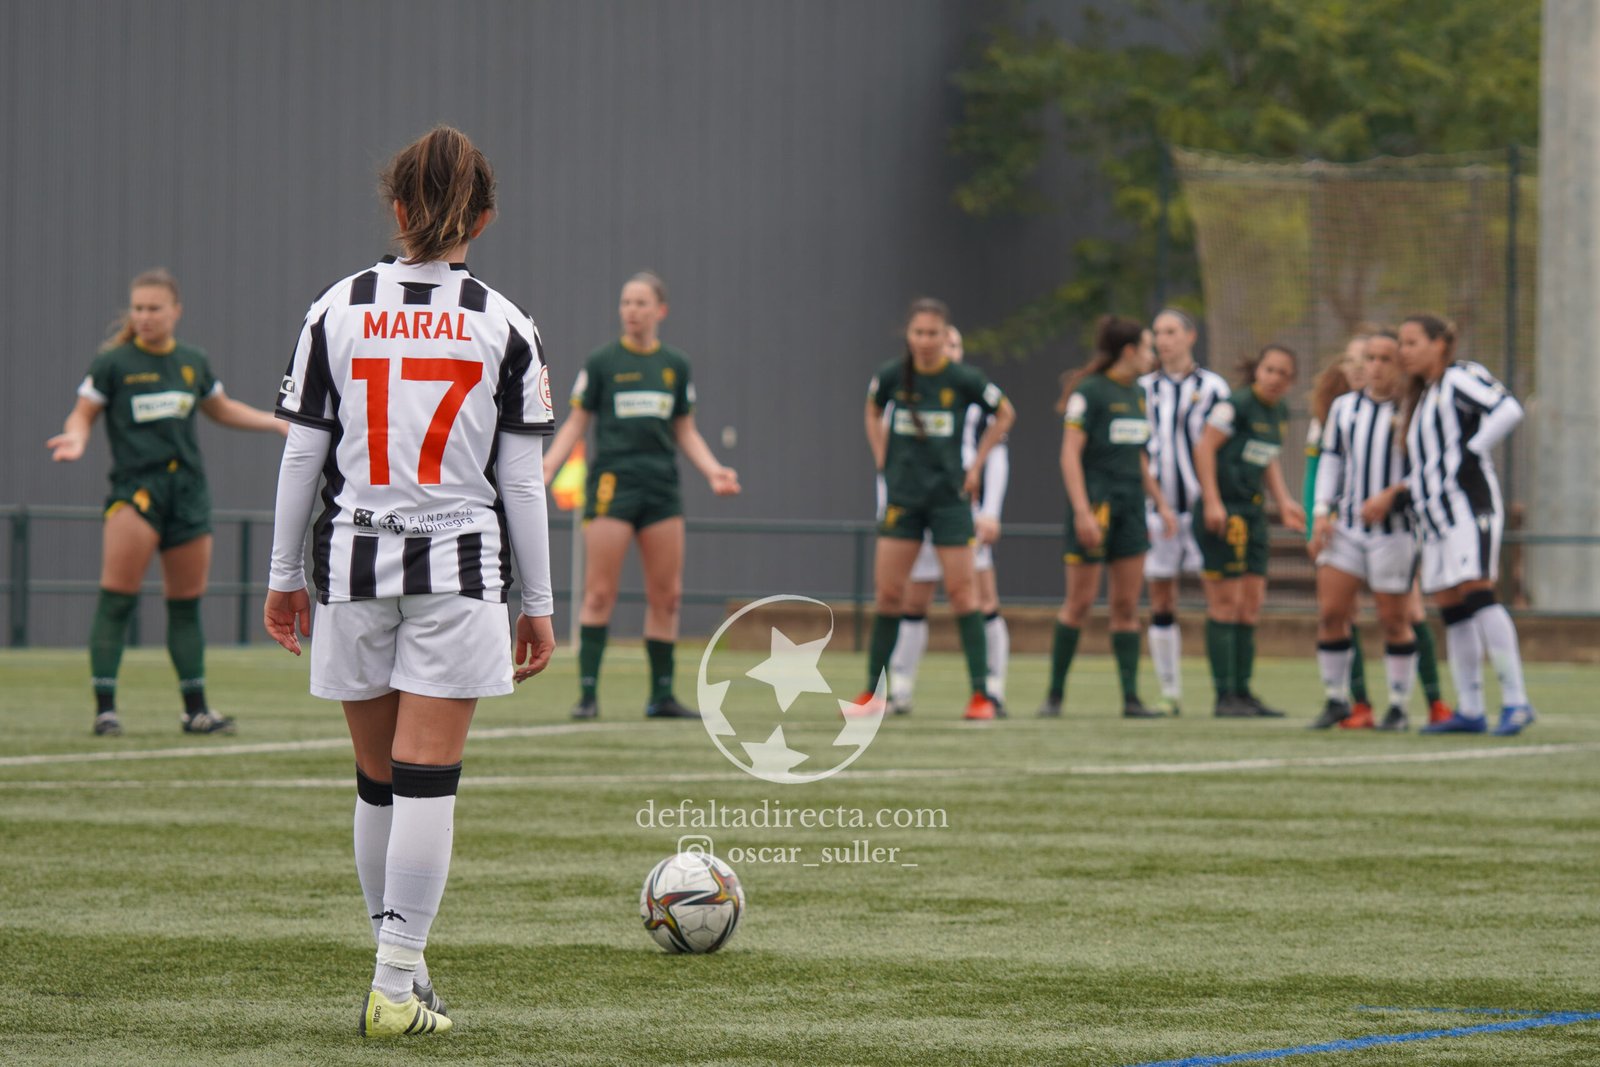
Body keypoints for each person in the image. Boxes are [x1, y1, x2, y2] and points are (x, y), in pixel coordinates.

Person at [263, 126, 557, 1037]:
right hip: (459, 563)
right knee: (428, 782)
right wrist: (539, 603)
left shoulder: (336, 307)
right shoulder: (506, 322)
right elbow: (522, 483)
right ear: (486, 217)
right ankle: (395, 982)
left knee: (378, 782)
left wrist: (282, 575)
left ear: (396, 207)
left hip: (352, 557)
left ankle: (404, 972)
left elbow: (302, 454)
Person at [47, 268, 286, 737]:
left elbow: (221, 408)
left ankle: (195, 711)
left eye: (154, 308)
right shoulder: (113, 363)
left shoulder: (192, 361)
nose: (144, 316)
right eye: (138, 308)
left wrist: (274, 421)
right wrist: (75, 438)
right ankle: (105, 710)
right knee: (118, 599)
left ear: (176, 311)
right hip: (137, 491)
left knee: (185, 604)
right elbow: (82, 414)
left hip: (187, 493)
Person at [541, 272, 740, 721]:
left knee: (667, 596)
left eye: (641, 303)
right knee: (599, 592)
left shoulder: (675, 365)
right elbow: (577, 422)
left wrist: (714, 471)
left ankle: (661, 697)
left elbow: (685, 430)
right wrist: (548, 466)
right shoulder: (603, 362)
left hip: (661, 488)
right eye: (626, 302)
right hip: (613, 484)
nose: (631, 310)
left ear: (660, 311)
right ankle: (588, 696)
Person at [857, 297, 1015, 720]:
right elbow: (871, 411)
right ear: (908, 335)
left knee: (964, 593)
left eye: (933, 333)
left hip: (949, 500)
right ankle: (873, 693)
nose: (926, 341)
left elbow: (1005, 414)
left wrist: (976, 466)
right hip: (904, 499)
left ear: (946, 337)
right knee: (890, 593)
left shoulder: (963, 379)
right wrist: (882, 457)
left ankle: (981, 695)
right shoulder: (891, 376)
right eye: (919, 333)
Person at [1378, 314, 1532, 735]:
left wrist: (1472, 451)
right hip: (1434, 521)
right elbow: (1428, 466)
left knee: (1478, 593)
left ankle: (1516, 700)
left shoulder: (1459, 377)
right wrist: (1399, 494)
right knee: (1452, 609)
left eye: (1412, 342)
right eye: (1401, 343)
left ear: (1440, 344)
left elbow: (1508, 409)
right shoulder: (1421, 398)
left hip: (1468, 509)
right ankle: (1470, 708)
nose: (1404, 351)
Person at [1038, 317, 1177, 718]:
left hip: (1131, 509)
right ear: (1129, 351)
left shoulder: (1138, 393)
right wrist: (1082, 512)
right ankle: (1054, 696)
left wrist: (1161, 503)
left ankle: (1131, 699)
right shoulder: (1090, 392)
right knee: (1079, 603)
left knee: (1127, 605)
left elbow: (1138, 455)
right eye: (1148, 347)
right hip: (1096, 506)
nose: (1152, 355)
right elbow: (1069, 455)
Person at [1193, 344, 1306, 717]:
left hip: (1253, 513)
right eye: (1269, 369)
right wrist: (1213, 501)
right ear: (1258, 370)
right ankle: (1223, 694)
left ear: (1291, 381)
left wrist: (1284, 501)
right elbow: (1204, 449)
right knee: (1225, 603)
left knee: (1251, 603)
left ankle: (1243, 692)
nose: (1275, 378)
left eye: (1283, 373)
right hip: (1225, 512)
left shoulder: (1279, 411)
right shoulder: (1235, 405)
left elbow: (1267, 457)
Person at [1139, 309, 1233, 716]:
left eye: (1171, 331)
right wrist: (1157, 502)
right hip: (1157, 510)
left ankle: (1225, 692)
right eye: (1158, 333)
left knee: (1218, 596)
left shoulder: (1213, 387)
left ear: (1190, 336)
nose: (1164, 340)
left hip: (1200, 507)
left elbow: (1222, 447)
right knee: (1161, 597)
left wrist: (1214, 499)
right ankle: (1169, 691)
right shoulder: (1142, 390)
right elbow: (1139, 451)